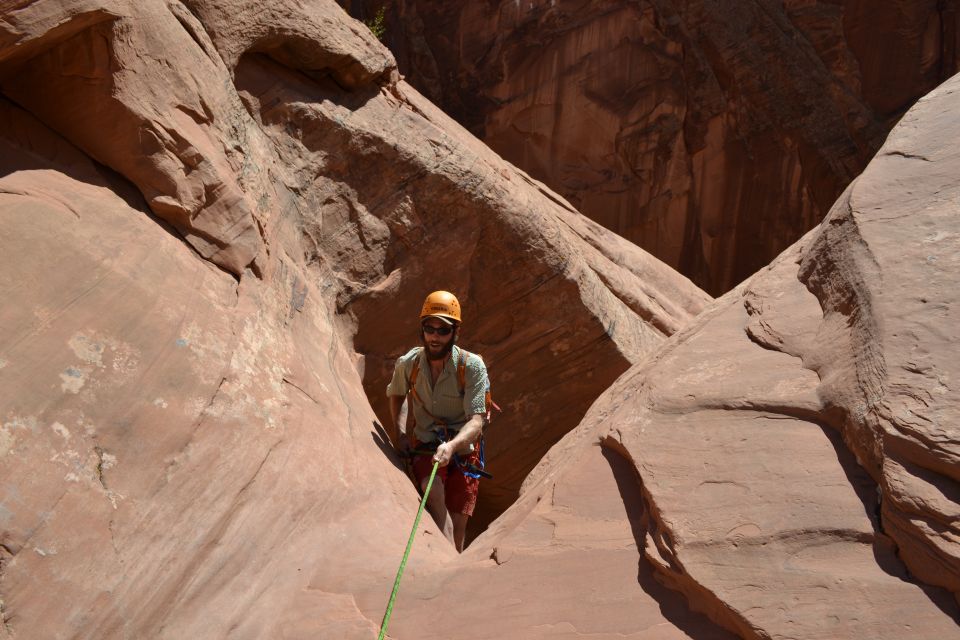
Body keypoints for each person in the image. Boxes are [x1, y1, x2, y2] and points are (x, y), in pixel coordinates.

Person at [386, 290, 488, 552]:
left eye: (443, 330)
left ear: (455, 333)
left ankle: (453, 560)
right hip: (426, 444)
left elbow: (477, 420)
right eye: (429, 328)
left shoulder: (472, 366)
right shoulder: (408, 364)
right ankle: (447, 561)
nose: (435, 336)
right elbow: (397, 394)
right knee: (431, 489)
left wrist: (452, 446)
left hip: (463, 451)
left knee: (459, 520)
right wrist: (400, 435)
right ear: (422, 329)